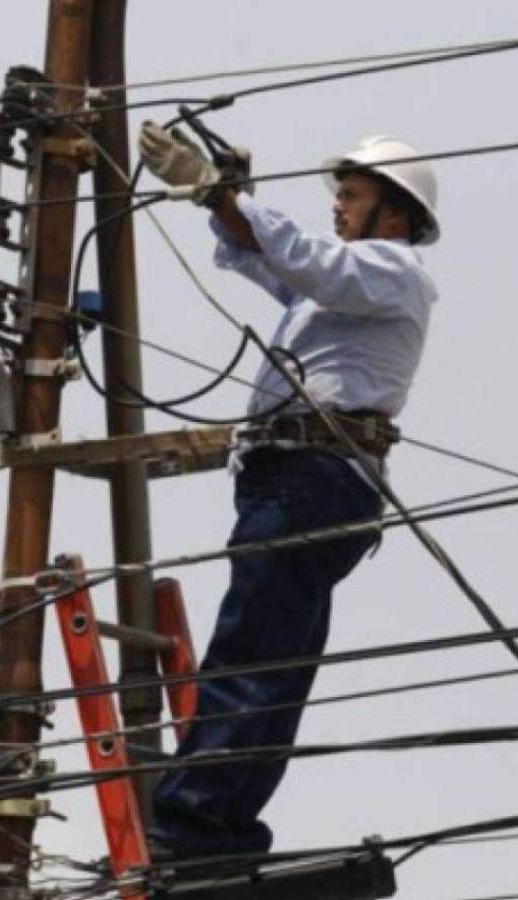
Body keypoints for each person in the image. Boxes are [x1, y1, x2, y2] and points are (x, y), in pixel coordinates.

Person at [136, 124, 441, 860]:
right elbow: (268, 258)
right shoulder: (345, 288)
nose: (338, 205)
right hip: (303, 479)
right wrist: (228, 203)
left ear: (393, 213)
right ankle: (220, 824)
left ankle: (196, 827)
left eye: (351, 194)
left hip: (312, 477)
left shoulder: (391, 271)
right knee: (269, 659)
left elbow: (306, 258)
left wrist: (223, 192)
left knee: (251, 652)